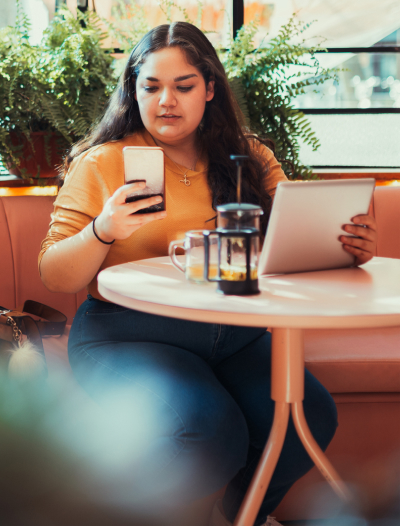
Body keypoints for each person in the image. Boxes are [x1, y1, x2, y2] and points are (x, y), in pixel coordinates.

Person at [39, 22, 377, 526]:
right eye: (151, 86)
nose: (165, 101)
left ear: (210, 88)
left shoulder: (251, 159)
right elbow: (53, 274)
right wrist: (103, 230)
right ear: (133, 90)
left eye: (183, 86)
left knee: (311, 416)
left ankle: (239, 517)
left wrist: (349, 248)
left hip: (236, 335)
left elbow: (289, 243)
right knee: (208, 428)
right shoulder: (103, 163)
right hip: (126, 334)